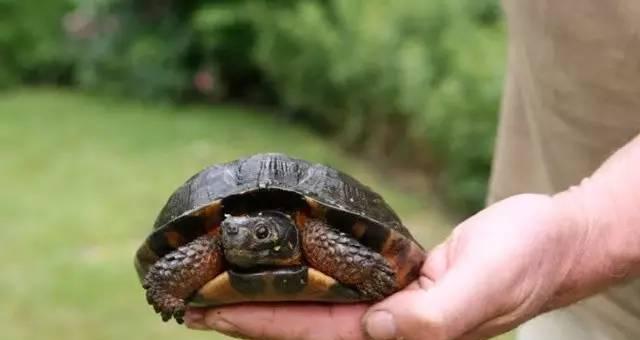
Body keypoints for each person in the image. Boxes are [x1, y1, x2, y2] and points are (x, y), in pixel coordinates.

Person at [183, 0, 640, 339]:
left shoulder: (313, 236)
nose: (240, 239)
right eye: (232, 234)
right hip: (573, 290)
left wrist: (586, 230)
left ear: (289, 232)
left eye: (261, 233)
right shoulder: (224, 239)